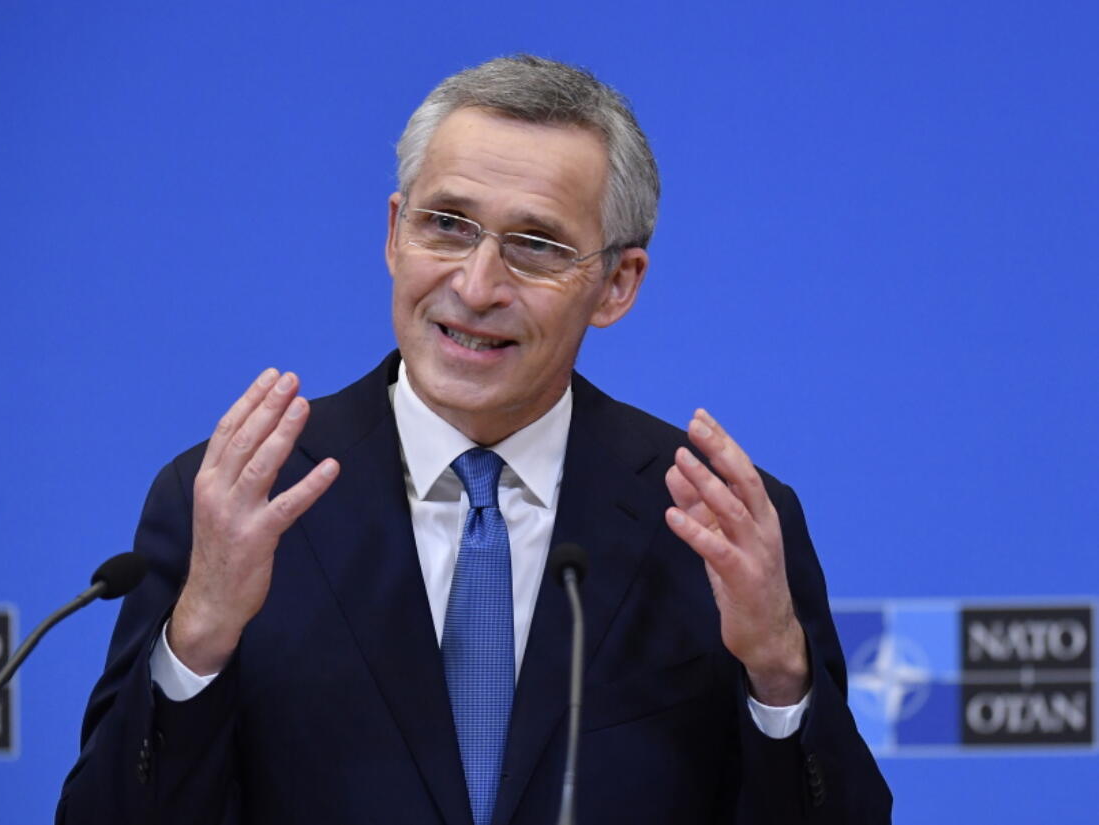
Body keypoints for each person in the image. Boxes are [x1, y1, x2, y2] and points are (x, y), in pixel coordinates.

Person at [57, 55, 891, 824]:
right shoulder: (237, 497)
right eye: (447, 225)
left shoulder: (714, 522)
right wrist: (199, 633)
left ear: (617, 283)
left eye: (535, 245)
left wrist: (779, 673)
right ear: (394, 233)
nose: (477, 284)